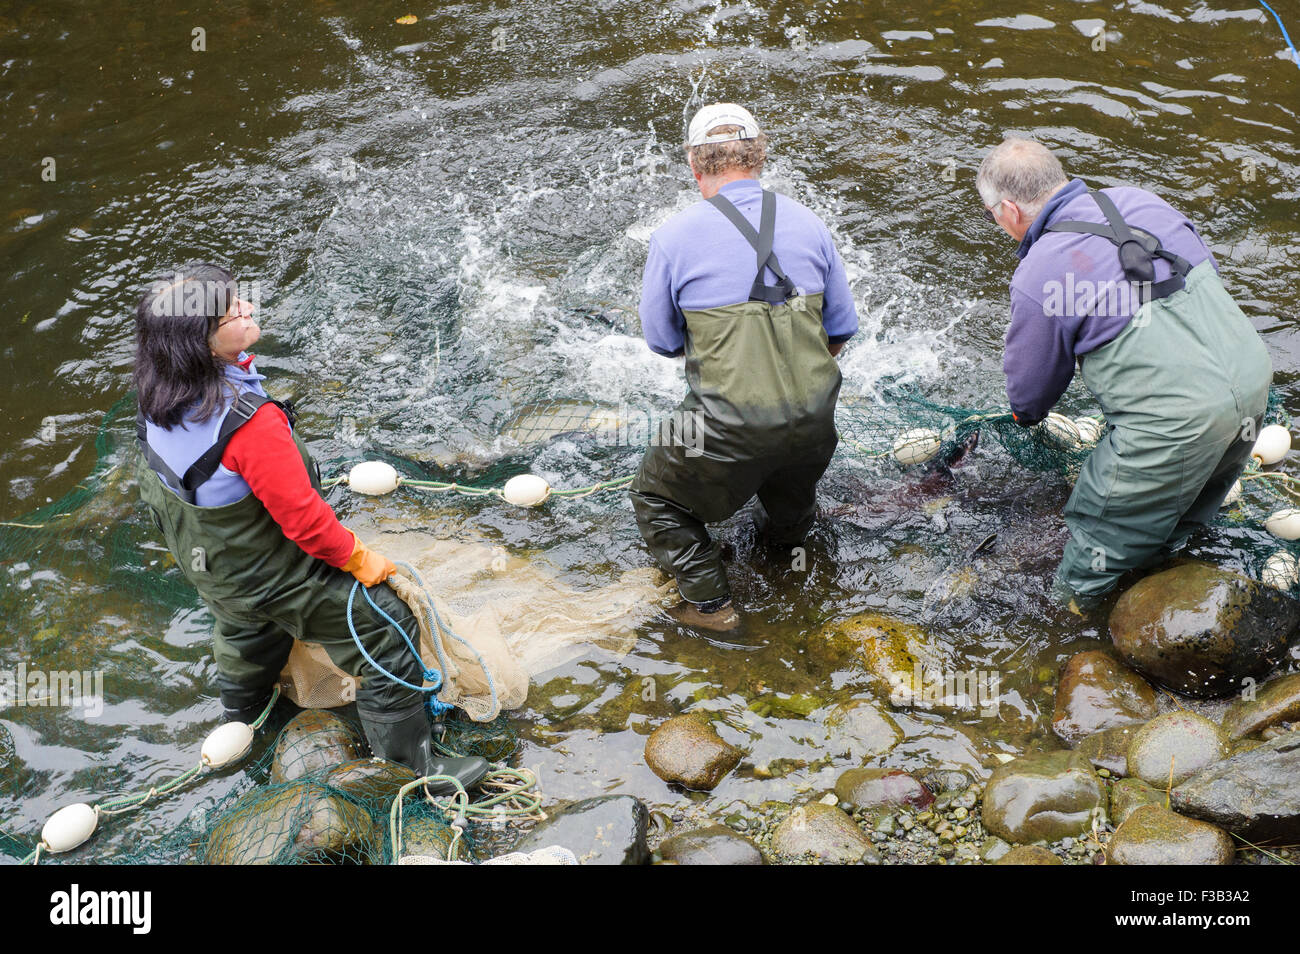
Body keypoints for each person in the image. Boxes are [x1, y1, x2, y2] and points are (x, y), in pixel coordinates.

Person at [133, 263, 487, 792]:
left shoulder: (157, 393)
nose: (247, 308)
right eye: (231, 311)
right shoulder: (251, 424)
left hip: (216, 572)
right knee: (385, 624)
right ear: (202, 343)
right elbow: (306, 524)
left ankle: (245, 712)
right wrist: (361, 561)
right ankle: (415, 769)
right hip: (275, 575)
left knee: (245, 628)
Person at [976, 138, 1272, 604]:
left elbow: (1030, 393)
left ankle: (1072, 635)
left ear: (1009, 209)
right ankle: (1176, 585)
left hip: (1175, 424)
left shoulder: (1041, 270)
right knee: (1183, 524)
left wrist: (1024, 418)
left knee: (1096, 546)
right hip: (1252, 384)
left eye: (993, 214)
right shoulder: (1142, 199)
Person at [630, 103, 859, 631]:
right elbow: (841, 328)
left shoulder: (673, 236)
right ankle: (786, 563)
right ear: (759, 157)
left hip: (727, 426)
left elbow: (662, 342)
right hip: (817, 420)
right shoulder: (810, 222)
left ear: (695, 165)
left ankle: (711, 606)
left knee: (655, 494)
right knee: (789, 492)